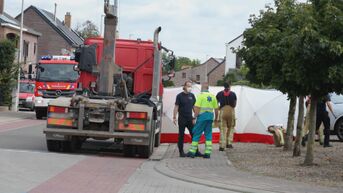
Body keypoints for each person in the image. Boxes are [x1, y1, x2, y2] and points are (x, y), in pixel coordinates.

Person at [187, 82, 219, 159]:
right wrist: (215, 119)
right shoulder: (213, 96)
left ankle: (192, 152)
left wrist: (194, 117)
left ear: (202, 88)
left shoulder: (201, 96)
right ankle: (207, 153)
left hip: (202, 117)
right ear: (208, 88)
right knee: (208, 135)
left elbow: (197, 108)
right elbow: (216, 109)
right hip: (210, 117)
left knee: (197, 133)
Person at [173, 81, 200, 157]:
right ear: (184, 86)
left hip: (190, 119)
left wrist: (195, 116)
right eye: (188, 86)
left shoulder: (192, 95)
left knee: (193, 134)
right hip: (182, 119)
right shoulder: (179, 96)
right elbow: (176, 107)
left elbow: (194, 107)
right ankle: (181, 152)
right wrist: (174, 117)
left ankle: (196, 151)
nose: (189, 88)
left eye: (190, 86)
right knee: (181, 135)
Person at [216, 83, 237, 151]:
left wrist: (219, 108)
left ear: (223, 87)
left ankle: (222, 146)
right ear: (229, 87)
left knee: (222, 129)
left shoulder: (219, 94)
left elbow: (216, 103)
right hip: (231, 111)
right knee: (231, 127)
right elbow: (235, 104)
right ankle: (229, 143)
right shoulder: (233, 94)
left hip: (223, 111)